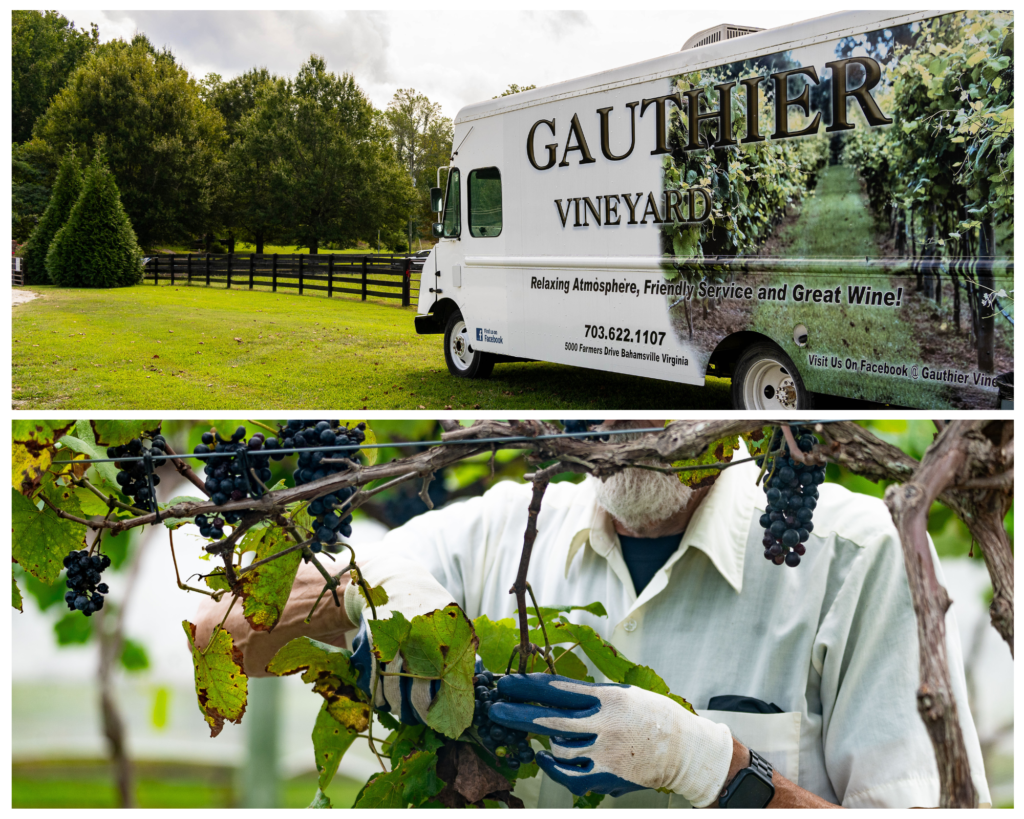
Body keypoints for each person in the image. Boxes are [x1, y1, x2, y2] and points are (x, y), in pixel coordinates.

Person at [195, 420, 990, 808]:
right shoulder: (501, 529)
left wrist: (716, 767)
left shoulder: (861, 559)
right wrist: (376, 603)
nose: (618, 436)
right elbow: (217, 633)